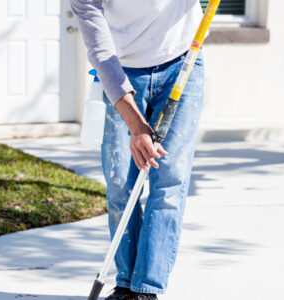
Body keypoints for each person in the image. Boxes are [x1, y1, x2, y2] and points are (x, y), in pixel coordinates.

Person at [71, 1, 204, 299]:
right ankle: (126, 283)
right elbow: (101, 53)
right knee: (120, 184)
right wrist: (135, 125)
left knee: (168, 181)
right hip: (122, 70)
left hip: (182, 60)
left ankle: (146, 289)